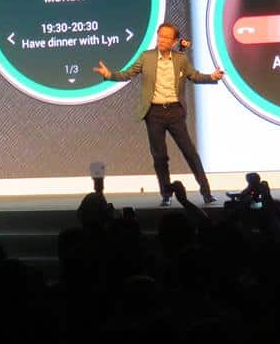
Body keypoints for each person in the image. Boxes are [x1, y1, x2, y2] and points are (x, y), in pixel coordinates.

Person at [94, 22, 223, 206]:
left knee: (190, 152)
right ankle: (166, 195)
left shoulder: (180, 59)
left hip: (175, 112)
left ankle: (206, 193)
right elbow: (128, 74)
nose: (161, 39)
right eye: (160, 35)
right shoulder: (146, 57)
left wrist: (211, 77)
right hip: (154, 113)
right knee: (160, 156)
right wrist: (109, 75)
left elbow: (194, 76)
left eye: (166, 37)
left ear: (174, 42)